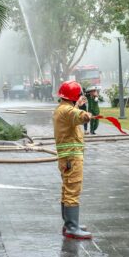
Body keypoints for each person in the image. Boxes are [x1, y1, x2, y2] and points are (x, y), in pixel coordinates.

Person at [53, 80, 92, 239]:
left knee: (66, 188)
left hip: (66, 158)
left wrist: (77, 105)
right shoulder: (69, 111)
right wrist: (86, 114)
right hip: (72, 157)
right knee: (73, 189)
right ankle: (72, 228)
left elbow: (71, 113)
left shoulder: (61, 109)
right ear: (74, 96)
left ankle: (69, 222)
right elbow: (79, 116)